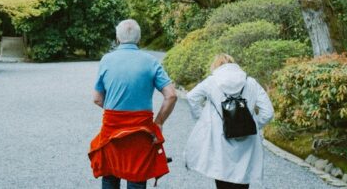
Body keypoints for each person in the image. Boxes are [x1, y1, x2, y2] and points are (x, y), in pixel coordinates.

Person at [88, 19, 178, 189]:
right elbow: (171, 95)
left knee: (110, 176)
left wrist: (116, 106)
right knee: (137, 179)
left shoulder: (106, 60)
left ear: (117, 38)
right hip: (141, 131)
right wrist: (158, 122)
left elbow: (97, 99)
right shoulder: (151, 61)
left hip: (112, 131)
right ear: (139, 38)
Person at [185, 53, 274, 189]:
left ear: (215, 66)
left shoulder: (211, 82)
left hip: (219, 141)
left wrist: (202, 119)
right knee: (243, 180)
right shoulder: (250, 82)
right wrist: (254, 124)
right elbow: (268, 112)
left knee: (222, 178)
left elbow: (191, 97)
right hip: (247, 141)